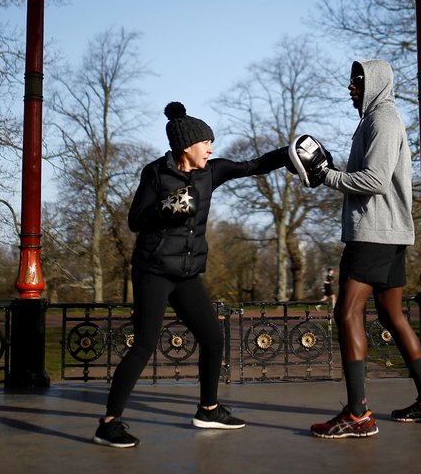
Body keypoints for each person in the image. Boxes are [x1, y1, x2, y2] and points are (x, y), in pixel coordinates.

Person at [93, 101, 289, 449]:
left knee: (213, 338)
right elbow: (135, 220)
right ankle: (108, 424)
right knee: (143, 346)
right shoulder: (155, 173)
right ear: (187, 146)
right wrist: (167, 207)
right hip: (153, 271)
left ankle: (209, 409)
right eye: (206, 143)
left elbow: (254, 165)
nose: (211, 148)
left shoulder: (211, 172)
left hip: (187, 274)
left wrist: (290, 152)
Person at [292, 59, 421, 439]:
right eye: (351, 81)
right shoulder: (377, 120)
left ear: (375, 83)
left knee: (347, 313)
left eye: (357, 82)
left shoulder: (383, 120)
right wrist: (331, 171)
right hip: (391, 235)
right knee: (394, 316)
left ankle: (358, 414)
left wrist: (324, 174)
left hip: (373, 235)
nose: (351, 88)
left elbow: (375, 181)